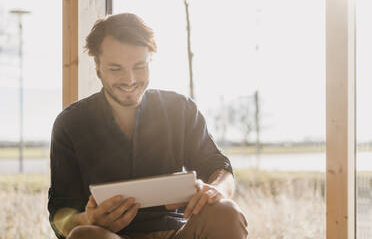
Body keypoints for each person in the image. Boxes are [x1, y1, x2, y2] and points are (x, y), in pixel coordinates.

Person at [48, 13, 248, 239]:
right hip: (109, 236)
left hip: (178, 232)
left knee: (226, 212)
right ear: (97, 66)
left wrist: (218, 190)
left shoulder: (180, 109)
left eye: (139, 66)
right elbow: (60, 215)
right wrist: (88, 219)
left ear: (151, 60)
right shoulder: (70, 123)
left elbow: (218, 166)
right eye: (116, 69)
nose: (130, 79)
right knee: (84, 234)